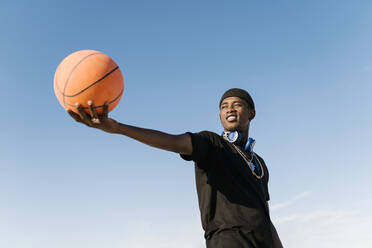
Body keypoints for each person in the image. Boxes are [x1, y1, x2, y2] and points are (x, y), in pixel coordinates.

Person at [67, 88, 283, 248]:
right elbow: (175, 142)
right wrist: (119, 128)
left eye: (236, 104)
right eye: (224, 107)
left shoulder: (259, 164)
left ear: (251, 113)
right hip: (229, 241)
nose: (229, 109)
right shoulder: (213, 144)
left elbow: (266, 216)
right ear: (220, 116)